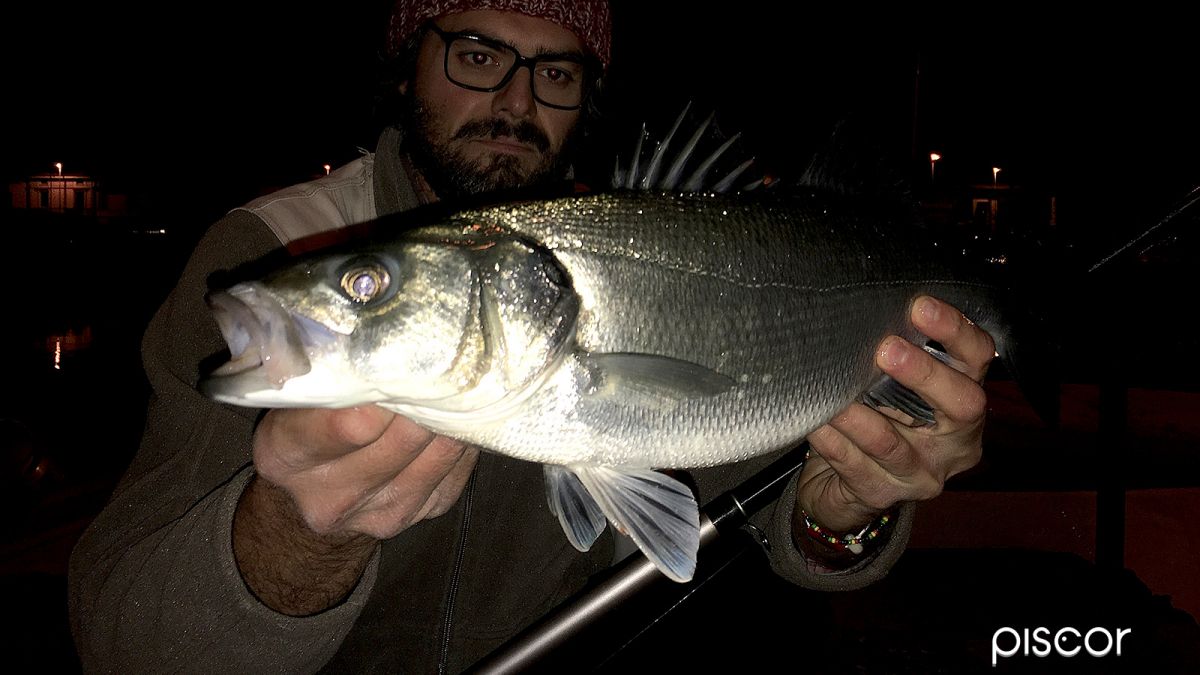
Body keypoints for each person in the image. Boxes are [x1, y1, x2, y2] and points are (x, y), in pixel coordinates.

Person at [67, 1, 994, 672]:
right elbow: (122, 644)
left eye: (555, 70)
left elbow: (785, 515)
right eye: (476, 52)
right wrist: (294, 538)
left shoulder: (625, 234)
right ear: (407, 63)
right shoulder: (262, 253)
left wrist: (841, 512)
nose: (516, 100)